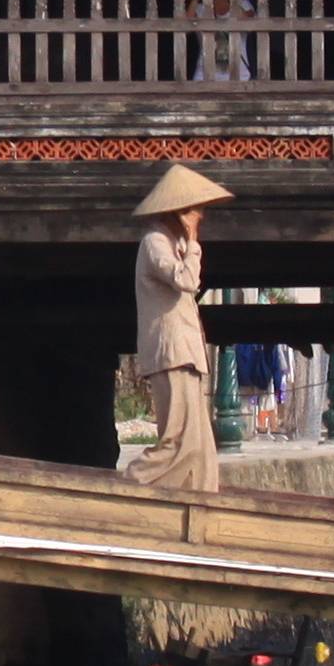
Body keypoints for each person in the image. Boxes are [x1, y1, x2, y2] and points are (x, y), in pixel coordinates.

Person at [127, 165, 229, 492]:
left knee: (199, 444)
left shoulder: (175, 243)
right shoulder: (155, 241)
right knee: (177, 439)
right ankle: (133, 483)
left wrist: (188, 242)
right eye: (196, 212)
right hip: (171, 351)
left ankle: (200, 498)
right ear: (180, 212)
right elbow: (186, 280)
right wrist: (194, 241)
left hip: (187, 351)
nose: (201, 217)